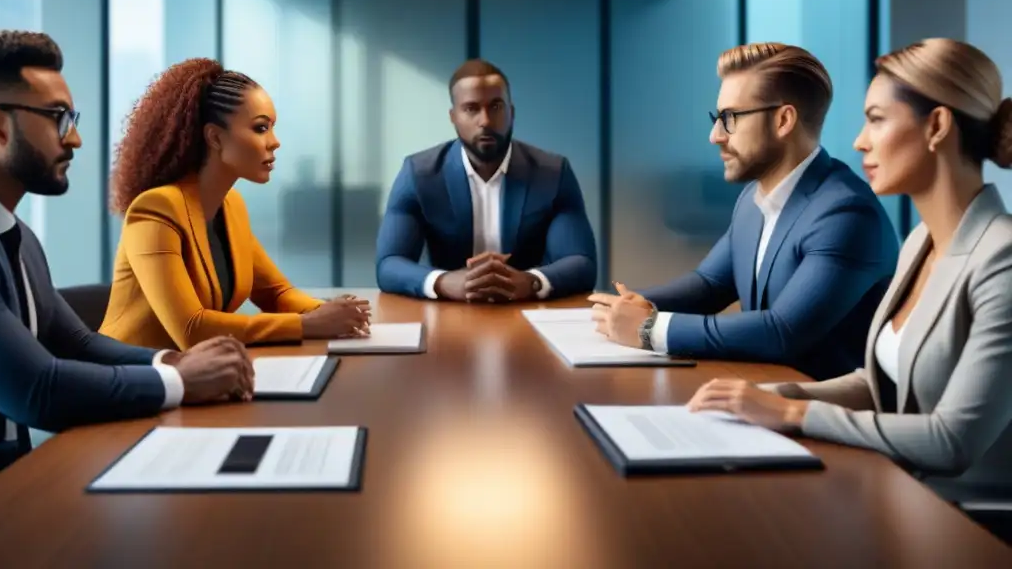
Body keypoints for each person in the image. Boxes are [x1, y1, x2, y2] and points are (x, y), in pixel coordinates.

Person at [687, 38, 1012, 518]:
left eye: (877, 120)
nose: (860, 141)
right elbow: (887, 382)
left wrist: (794, 413)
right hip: (895, 489)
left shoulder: (1001, 260)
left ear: (937, 126)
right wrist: (783, 394)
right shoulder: (921, 241)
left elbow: (950, 441)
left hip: (962, 518)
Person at [0, 31, 254, 478]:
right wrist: (181, 381)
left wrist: (170, 362)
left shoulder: (19, 238)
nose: (74, 140)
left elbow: (77, 343)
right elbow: (37, 390)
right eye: (57, 118)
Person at [590, 43, 899, 380]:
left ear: (783, 120)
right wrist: (630, 305)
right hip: (761, 396)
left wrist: (650, 329)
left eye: (730, 118)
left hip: (824, 417)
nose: (715, 136)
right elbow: (709, 285)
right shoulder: (754, 198)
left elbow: (782, 332)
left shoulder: (846, 213)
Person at [99, 59, 370, 350]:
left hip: (197, 377)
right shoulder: (154, 210)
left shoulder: (231, 206)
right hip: (130, 379)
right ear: (215, 137)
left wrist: (329, 312)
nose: (274, 142)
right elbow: (191, 330)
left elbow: (276, 293)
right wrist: (308, 324)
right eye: (260, 128)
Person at [376, 59, 597, 302]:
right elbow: (389, 264)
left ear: (511, 112)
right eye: (471, 108)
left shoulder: (553, 173)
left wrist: (531, 281)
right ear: (453, 116)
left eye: (496, 107)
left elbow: (581, 262)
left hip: (530, 312)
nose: (485, 121)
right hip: (449, 314)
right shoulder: (419, 174)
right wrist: (444, 281)